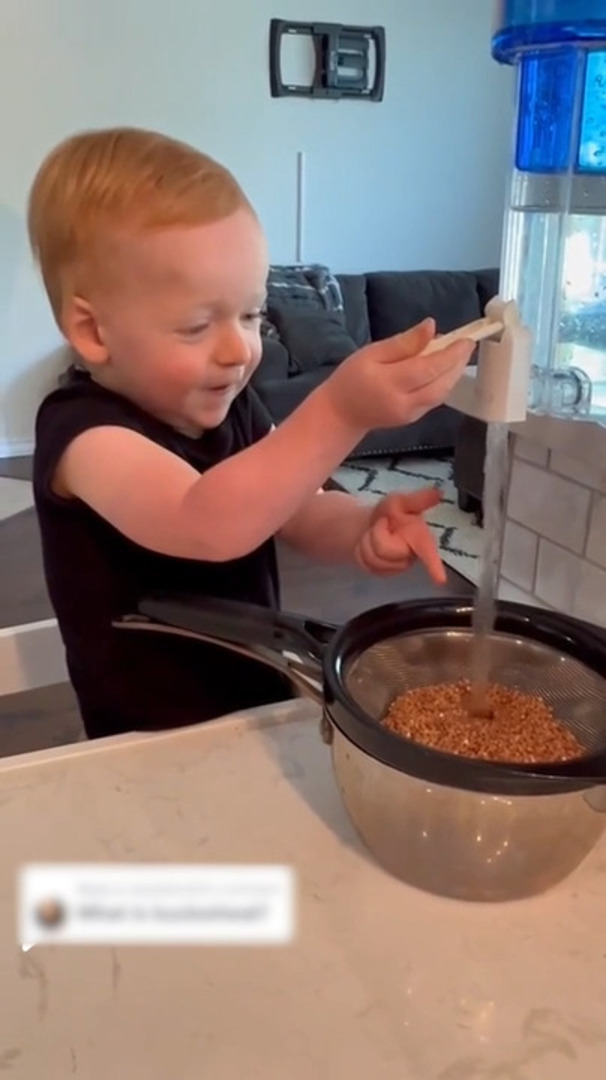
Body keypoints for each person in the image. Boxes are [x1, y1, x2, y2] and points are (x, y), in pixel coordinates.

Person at [28, 127, 474, 740]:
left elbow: (295, 511)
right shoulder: (85, 435)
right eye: (197, 325)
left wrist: (360, 528)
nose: (240, 348)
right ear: (94, 331)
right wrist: (340, 411)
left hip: (257, 705)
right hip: (151, 739)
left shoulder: (231, 408)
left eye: (250, 314)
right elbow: (206, 522)